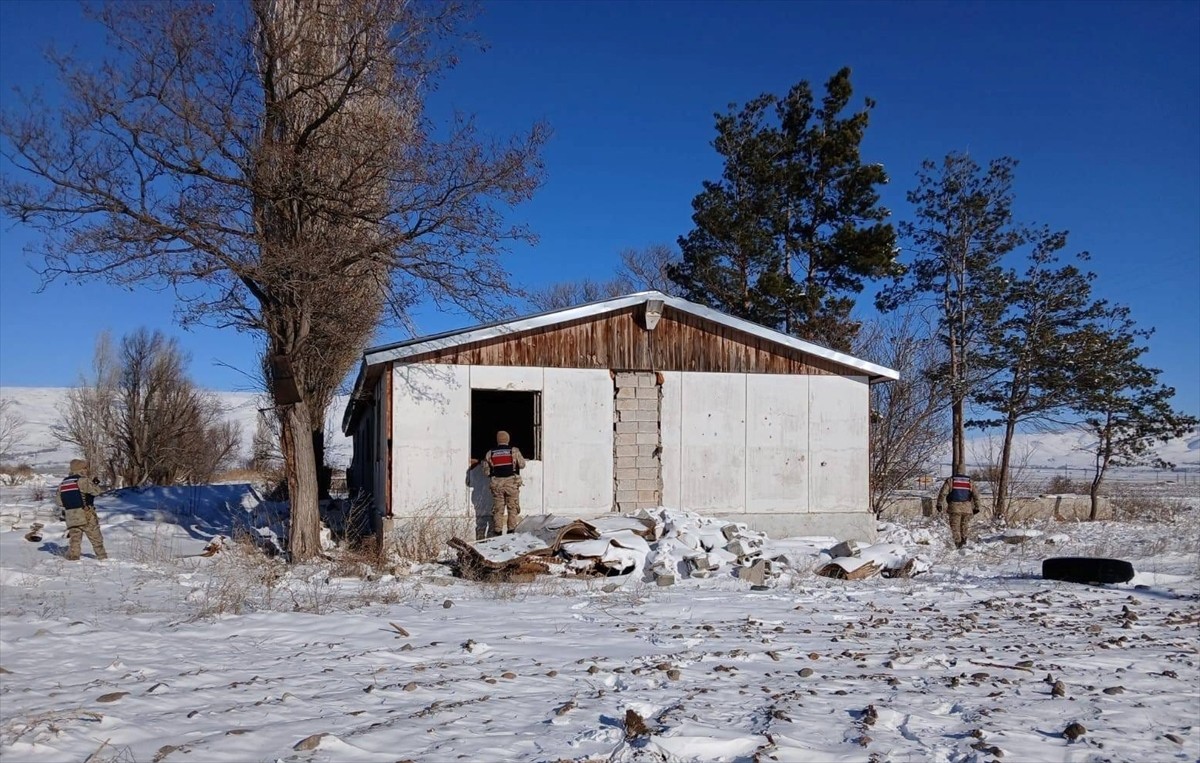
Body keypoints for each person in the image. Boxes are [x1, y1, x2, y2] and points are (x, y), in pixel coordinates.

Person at [56, 459, 108, 561]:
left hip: (71, 516)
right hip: (85, 514)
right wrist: (95, 484)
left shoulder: (63, 483)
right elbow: (96, 492)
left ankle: (73, 559)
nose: (86, 470)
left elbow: (59, 502)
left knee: (75, 540)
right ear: (81, 469)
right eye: (85, 468)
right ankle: (103, 558)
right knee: (96, 539)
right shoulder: (83, 480)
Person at [483, 430, 526, 536]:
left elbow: (486, 471)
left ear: (498, 440)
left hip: (497, 484)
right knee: (513, 508)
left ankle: (497, 532)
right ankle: (511, 531)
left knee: (498, 509)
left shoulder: (490, 453)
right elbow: (522, 464)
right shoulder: (514, 451)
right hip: (511, 483)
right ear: (508, 439)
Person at [937, 472, 981, 549]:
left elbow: (943, 493)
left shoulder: (950, 480)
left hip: (954, 507)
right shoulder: (970, 481)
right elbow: (976, 495)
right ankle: (964, 542)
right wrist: (977, 507)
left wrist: (939, 504)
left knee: (955, 527)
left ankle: (958, 544)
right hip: (967, 508)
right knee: (964, 526)